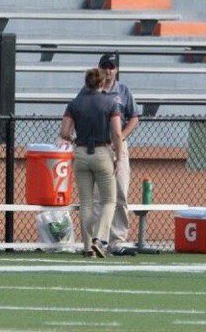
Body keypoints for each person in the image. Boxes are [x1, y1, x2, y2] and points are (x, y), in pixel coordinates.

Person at [59, 67, 123, 258]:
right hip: (102, 151)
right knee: (109, 200)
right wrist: (119, 156)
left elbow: (64, 132)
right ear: (102, 83)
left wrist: (74, 141)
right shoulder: (110, 102)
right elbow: (117, 133)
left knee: (86, 202)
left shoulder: (74, 103)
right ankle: (99, 238)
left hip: (81, 153)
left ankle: (87, 247)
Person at [98, 52, 140, 254]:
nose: (108, 70)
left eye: (111, 67)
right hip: (98, 146)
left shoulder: (123, 91)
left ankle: (118, 239)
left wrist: (120, 138)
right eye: (105, 66)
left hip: (118, 147)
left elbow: (134, 118)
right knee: (99, 195)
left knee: (121, 192)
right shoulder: (92, 91)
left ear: (117, 69)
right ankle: (99, 239)